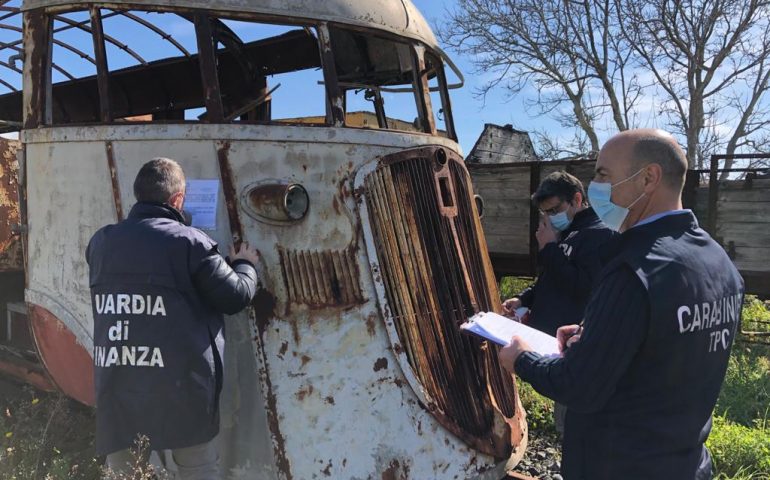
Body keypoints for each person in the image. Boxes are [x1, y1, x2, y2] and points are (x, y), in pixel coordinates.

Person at [499, 129, 744, 479]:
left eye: (603, 175)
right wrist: (596, 334)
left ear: (648, 178)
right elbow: (664, 349)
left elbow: (578, 386)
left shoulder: (634, 268)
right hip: (684, 464)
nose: (595, 185)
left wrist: (521, 358)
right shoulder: (718, 261)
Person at [86, 158, 261, 479]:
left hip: (119, 383)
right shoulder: (190, 243)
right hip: (180, 389)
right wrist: (245, 265)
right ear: (177, 200)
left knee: (125, 472)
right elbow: (235, 296)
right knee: (196, 468)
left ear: (138, 195)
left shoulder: (101, 242)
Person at [502, 171, 615, 336]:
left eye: (554, 210)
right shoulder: (564, 232)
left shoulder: (600, 234)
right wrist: (523, 298)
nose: (549, 217)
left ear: (576, 200)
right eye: (545, 212)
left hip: (564, 341)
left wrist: (549, 248)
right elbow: (549, 279)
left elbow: (583, 288)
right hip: (542, 334)